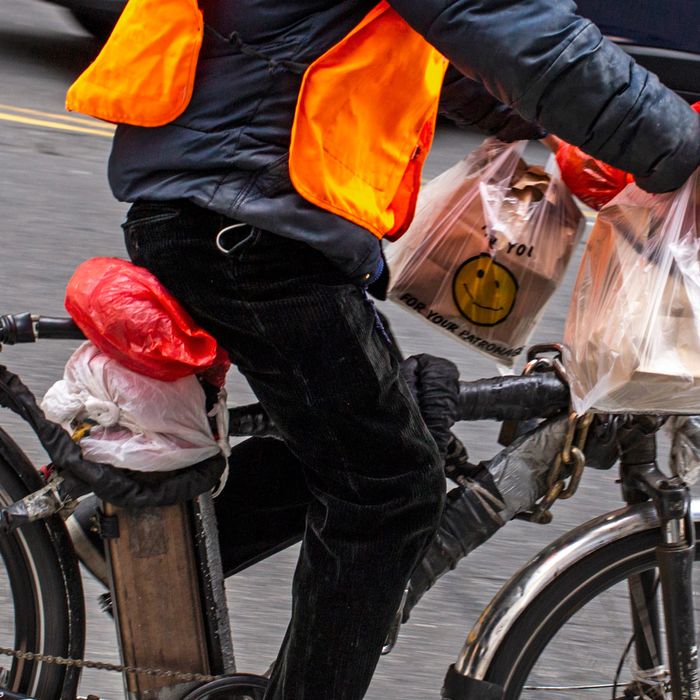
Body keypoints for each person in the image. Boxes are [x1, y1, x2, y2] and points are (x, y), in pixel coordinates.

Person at [65, 1, 700, 698]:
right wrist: (677, 143)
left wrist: (561, 125)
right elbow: (505, 24)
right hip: (247, 220)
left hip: (238, 205)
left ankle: (128, 541)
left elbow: (452, 54)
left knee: (387, 429)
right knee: (390, 489)